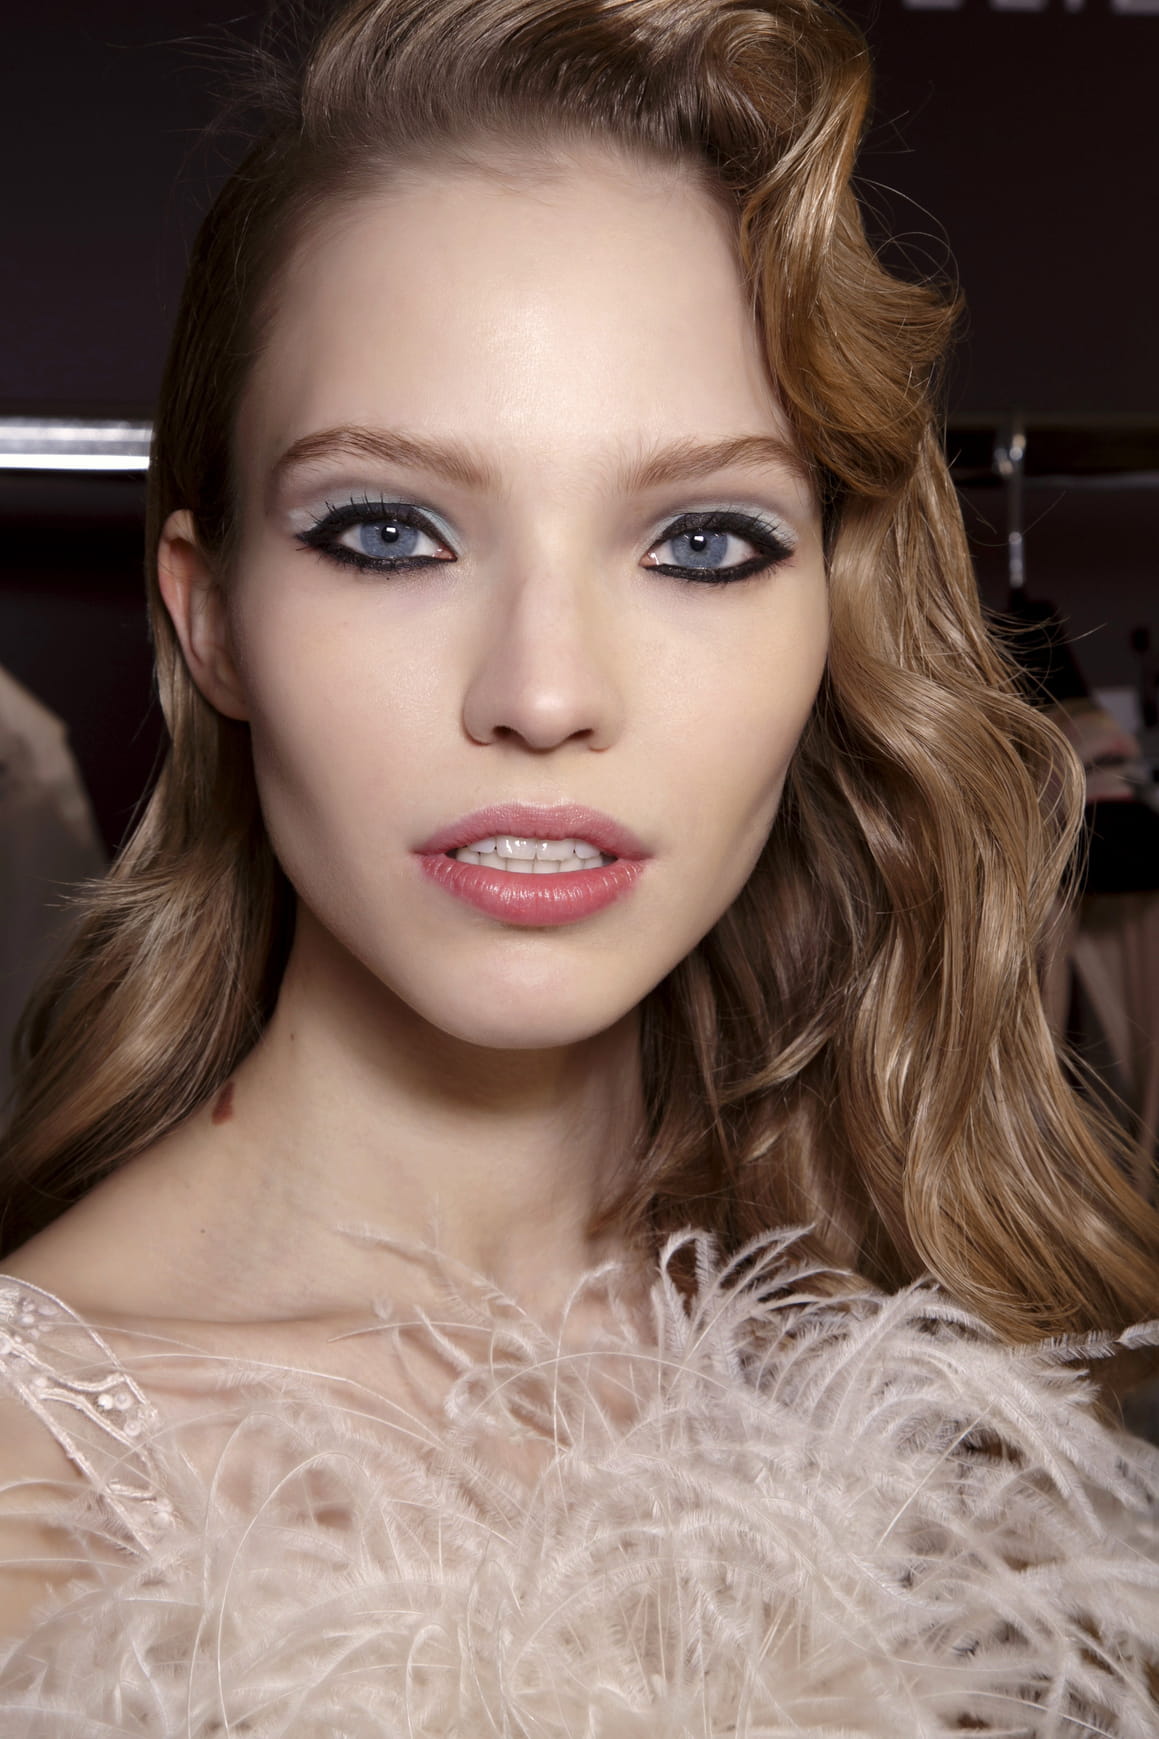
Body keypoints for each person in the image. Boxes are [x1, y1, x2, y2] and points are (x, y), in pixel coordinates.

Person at [0, 0, 1156, 1729]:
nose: (543, 695)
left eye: (704, 543)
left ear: (829, 629)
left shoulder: (956, 1392)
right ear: (212, 618)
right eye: (389, 532)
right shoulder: (30, 1484)